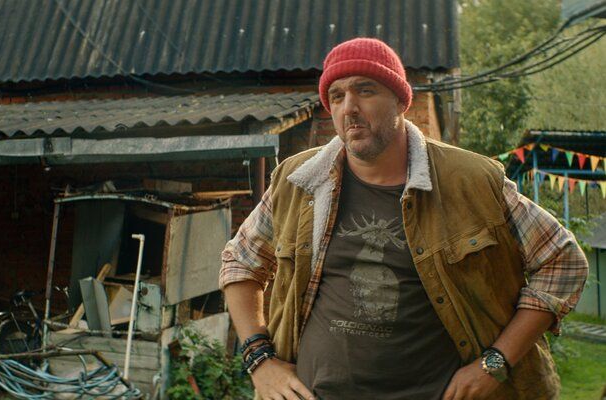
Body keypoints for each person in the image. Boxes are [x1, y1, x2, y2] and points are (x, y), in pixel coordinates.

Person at [219, 38, 588, 400]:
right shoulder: (298, 181)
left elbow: (563, 260)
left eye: (365, 90)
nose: (349, 108)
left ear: (400, 100)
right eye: (337, 96)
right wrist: (259, 360)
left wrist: (494, 363)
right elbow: (239, 262)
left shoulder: (471, 181)